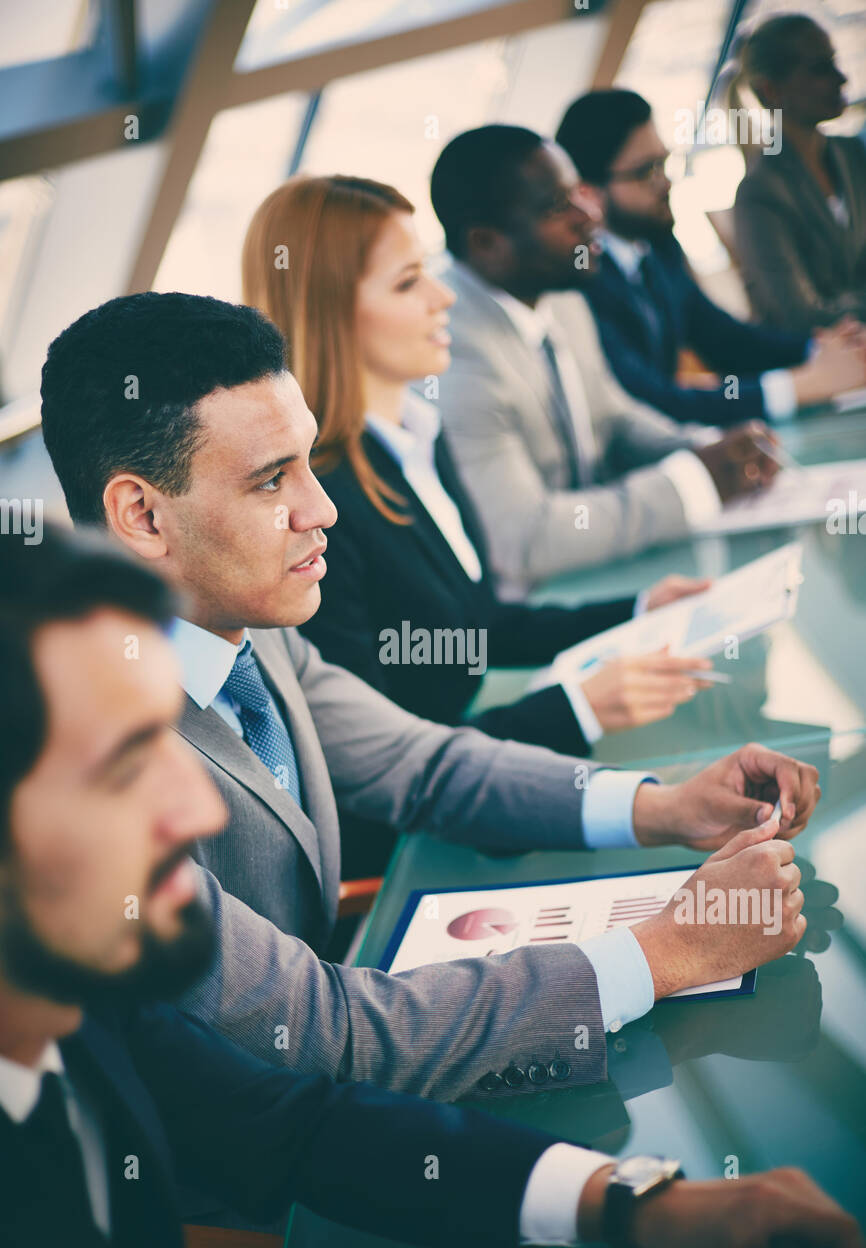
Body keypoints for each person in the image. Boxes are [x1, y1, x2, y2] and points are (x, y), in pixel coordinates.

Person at [1, 524, 861, 1248]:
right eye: (122, 769)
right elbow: (320, 1044)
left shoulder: (85, 999)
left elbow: (297, 1128)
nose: (196, 812)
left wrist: (644, 1204)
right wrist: (660, 953)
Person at [40, 291, 820, 1115]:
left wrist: (663, 808)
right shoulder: (85, 771)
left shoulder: (240, 625)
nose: (323, 509)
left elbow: (425, 765)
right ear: (142, 516)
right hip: (261, 1176)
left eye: (308, 461)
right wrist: (663, 955)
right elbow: (321, 1035)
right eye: (273, 481)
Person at [242, 173, 716, 873]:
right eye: (408, 284)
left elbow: (475, 625)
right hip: (421, 848)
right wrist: (575, 707)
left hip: (486, 789)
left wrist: (636, 609)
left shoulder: (414, 440)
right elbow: (382, 763)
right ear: (333, 311)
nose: (444, 297)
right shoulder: (321, 508)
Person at [429, 124, 782, 598]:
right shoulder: (451, 351)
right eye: (558, 206)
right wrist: (694, 484)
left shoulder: (561, 293)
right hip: (537, 608)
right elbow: (525, 539)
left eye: (579, 192)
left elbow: (614, 417)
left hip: (602, 570)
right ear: (486, 242)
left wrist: (707, 448)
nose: (590, 214)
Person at [555, 88, 866, 426]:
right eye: (647, 171)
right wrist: (803, 385)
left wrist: (820, 347)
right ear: (589, 191)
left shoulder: (656, 246)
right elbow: (655, 400)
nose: (666, 182)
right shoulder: (578, 279)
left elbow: (723, 338)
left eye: (664, 162)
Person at [733, 13, 866, 333]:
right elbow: (798, 316)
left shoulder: (853, 154)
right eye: (820, 68)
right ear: (771, 91)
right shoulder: (759, 193)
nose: (841, 79)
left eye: (834, 63)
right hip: (826, 363)